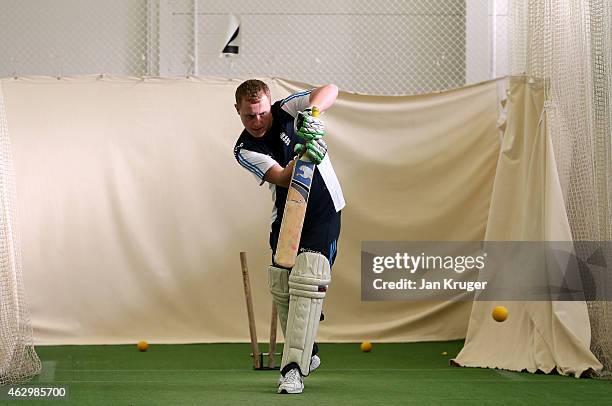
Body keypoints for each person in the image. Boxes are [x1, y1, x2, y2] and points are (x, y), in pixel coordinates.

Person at [233, 80, 345, 394]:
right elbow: (283, 177)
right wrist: (307, 154)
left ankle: (293, 368)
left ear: (270, 106)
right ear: (238, 112)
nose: (257, 122)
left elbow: (330, 89)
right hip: (287, 215)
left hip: (323, 208)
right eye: (249, 116)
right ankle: (308, 354)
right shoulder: (245, 149)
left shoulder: (288, 110)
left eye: (262, 114)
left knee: (308, 277)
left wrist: (312, 116)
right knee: (282, 283)